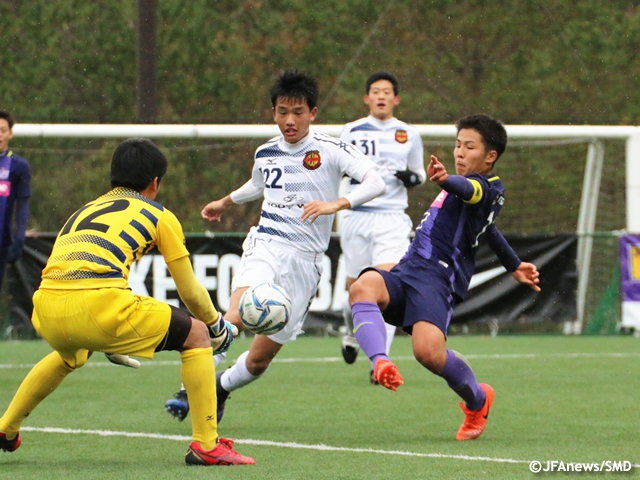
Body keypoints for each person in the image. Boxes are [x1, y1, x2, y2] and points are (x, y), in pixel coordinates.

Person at [0, 138, 255, 466]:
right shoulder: (159, 215)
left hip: (47, 308)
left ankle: (6, 428)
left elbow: (74, 269)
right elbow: (190, 291)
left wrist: (99, 334)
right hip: (97, 308)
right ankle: (206, 444)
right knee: (196, 335)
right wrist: (216, 325)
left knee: (69, 355)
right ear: (155, 182)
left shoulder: (83, 210)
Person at [163, 68, 385, 422]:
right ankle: (192, 387)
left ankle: (221, 388)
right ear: (273, 113)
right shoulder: (266, 152)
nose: (290, 120)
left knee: (258, 360)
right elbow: (257, 185)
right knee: (234, 318)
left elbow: (376, 181)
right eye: (283, 112)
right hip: (266, 244)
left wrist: (335, 204)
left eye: (298, 112)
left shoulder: (330, 149)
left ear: (313, 113)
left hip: (306, 263)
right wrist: (225, 202)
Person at [348, 114, 541, 441]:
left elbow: (470, 189)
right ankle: (380, 362)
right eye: (457, 145)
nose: (459, 152)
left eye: (469, 147)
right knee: (363, 286)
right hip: (408, 269)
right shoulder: (469, 190)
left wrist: (445, 179)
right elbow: (489, 229)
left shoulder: (487, 188)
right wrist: (514, 263)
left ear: (490, 156)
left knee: (427, 354)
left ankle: (478, 400)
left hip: (438, 281)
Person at [338, 72, 426, 383]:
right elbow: (338, 168)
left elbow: (419, 172)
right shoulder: (351, 131)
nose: (381, 96)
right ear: (366, 98)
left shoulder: (408, 133)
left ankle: (380, 362)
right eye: (375, 91)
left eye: (387, 92)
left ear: (396, 99)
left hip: (391, 217)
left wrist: (412, 178)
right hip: (357, 216)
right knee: (356, 287)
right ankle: (351, 331)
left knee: (387, 287)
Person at [0, 110, 31, 295]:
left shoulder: (18, 166)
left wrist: (19, 237)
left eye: (3, 130)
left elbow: (23, 203)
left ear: (10, 133)